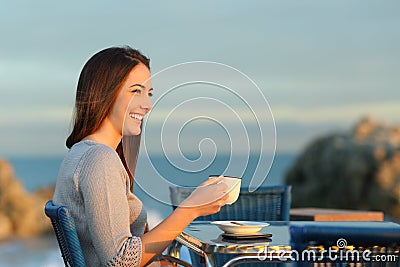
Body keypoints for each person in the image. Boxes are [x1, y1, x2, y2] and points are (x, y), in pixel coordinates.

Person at [53, 46, 229, 266]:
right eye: (136, 91)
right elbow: (120, 260)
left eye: (149, 93)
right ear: (105, 92)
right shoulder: (99, 159)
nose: (147, 105)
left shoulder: (81, 153)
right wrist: (190, 209)